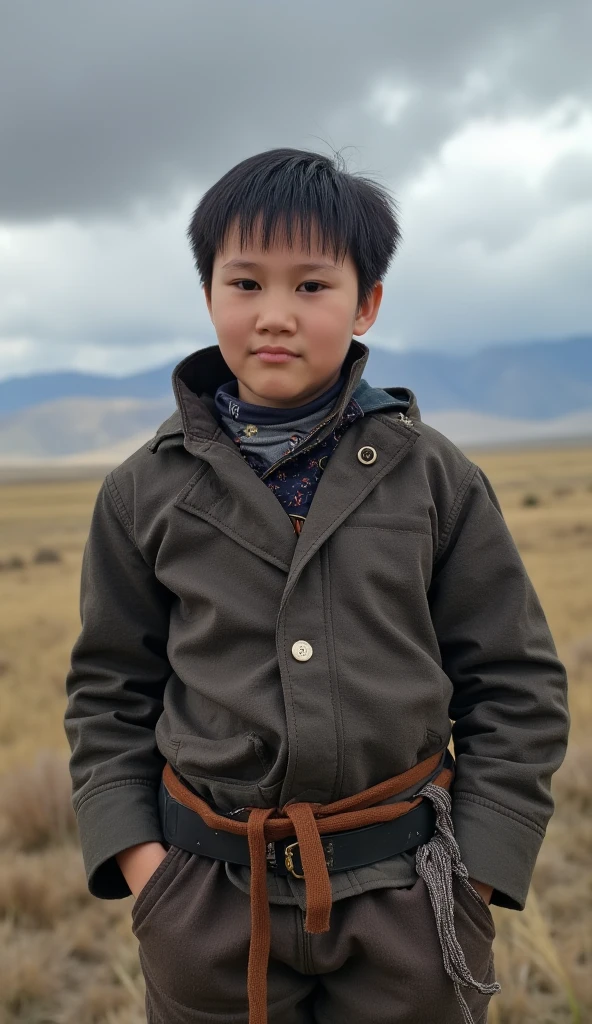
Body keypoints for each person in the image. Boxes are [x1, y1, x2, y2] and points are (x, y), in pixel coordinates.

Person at [64, 147, 569, 1024]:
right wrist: (152, 881)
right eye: (246, 283)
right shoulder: (141, 493)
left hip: (412, 904)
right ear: (210, 295)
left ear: (366, 301)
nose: (274, 316)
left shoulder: (438, 481)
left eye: (311, 287)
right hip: (208, 907)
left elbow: (516, 687)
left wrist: (476, 880)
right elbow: (108, 695)